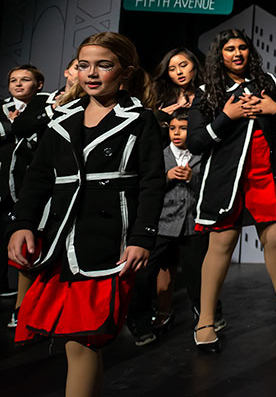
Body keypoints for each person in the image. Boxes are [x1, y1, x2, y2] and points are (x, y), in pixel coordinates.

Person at [6, 32, 164, 397]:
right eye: (84, 65)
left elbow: (153, 183)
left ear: (124, 72)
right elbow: (38, 177)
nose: (92, 73)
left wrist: (142, 238)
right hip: (62, 240)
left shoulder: (140, 120)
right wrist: (23, 224)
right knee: (74, 342)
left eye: (104, 65)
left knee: (83, 341)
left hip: (109, 243)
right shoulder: (61, 118)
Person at [187, 28, 276, 352]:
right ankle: (205, 320)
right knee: (220, 245)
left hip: (267, 174)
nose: (237, 53)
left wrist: (273, 110)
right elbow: (195, 142)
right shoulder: (208, 92)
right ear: (219, 55)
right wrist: (226, 116)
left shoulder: (270, 84)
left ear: (250, 51)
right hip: (226, 180)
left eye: (242, 47)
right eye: (230, 48)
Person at [126, 108, 209, 346]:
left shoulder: (202, 155)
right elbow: (144, 185)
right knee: (144, 276)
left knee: (199, 276)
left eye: (183, 128)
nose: (177, 133)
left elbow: (212, 187)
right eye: (173, 128)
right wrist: (167, 176)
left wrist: (193, 177)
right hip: (162, 224)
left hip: (192, 225)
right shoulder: (159, 156)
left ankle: (207, 318)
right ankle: (139, 323)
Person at [2, 64, 53, 327]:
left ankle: (28, 307)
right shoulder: (2, 109)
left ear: (39, 84)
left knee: (35, 244)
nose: (18, 84)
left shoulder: (48, 105)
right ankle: (19, 306)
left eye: (25, 80)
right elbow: (13, 130)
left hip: (37, 186)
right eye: (13, 80)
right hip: (8, 186)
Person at [152, 47, 202, 117]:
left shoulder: (207, 92)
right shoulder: (161, 98)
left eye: (183, 65)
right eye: (172, 69)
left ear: (194, 65)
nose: (179, 72)